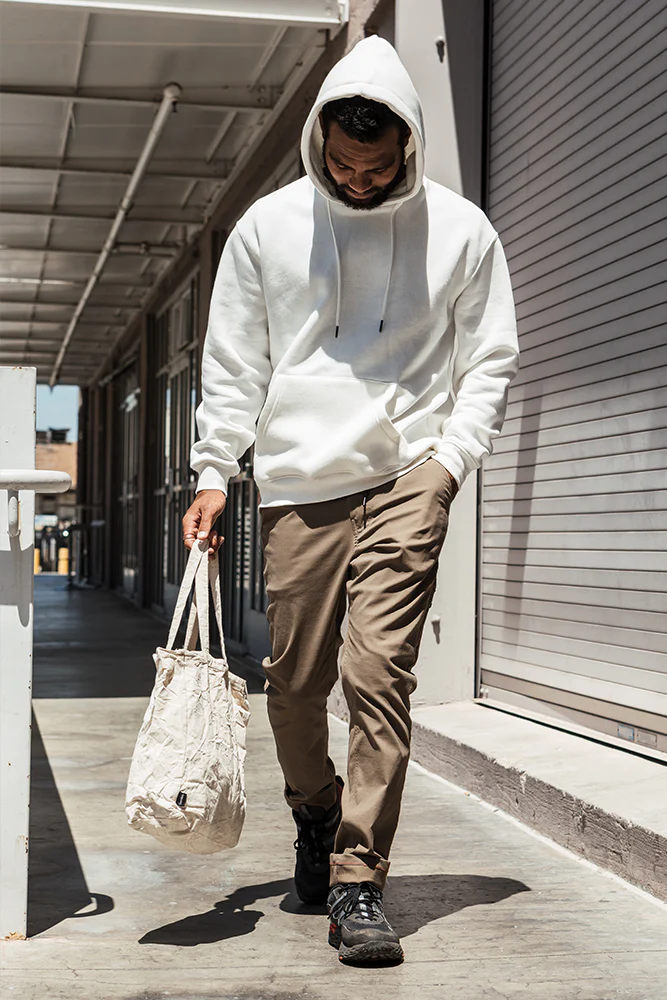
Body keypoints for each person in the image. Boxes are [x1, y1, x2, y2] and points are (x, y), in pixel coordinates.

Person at [183, 35, 519, 965]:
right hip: (299, 483)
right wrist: (213, 472)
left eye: (375, 167)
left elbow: (489, 358)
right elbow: (234, 363)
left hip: (409, 477)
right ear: (318, 143)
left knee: (378, 676)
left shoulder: (461, 231)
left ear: (407, 143)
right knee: (294, 685)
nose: (358, 182)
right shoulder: (266, 229)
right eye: (341, 164)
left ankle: (358, 880)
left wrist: (449, 463)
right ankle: (315, 811)